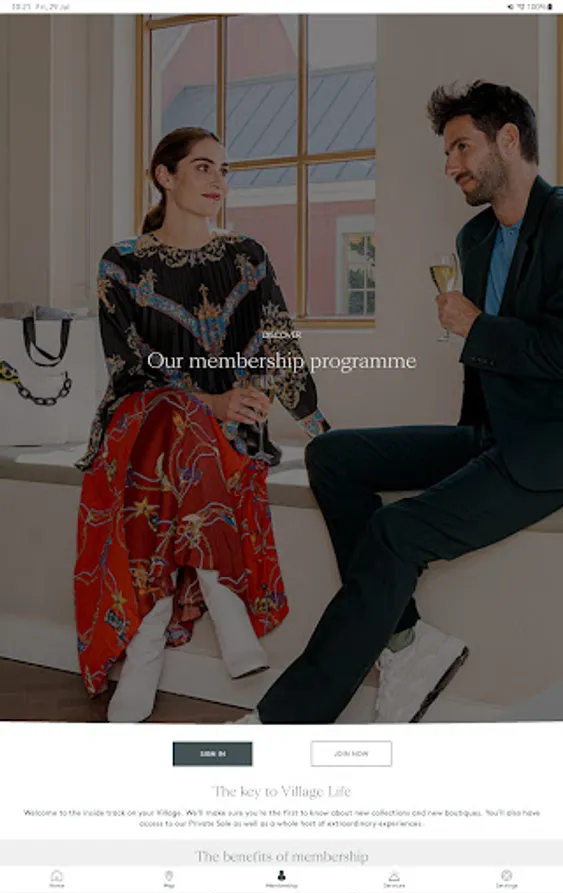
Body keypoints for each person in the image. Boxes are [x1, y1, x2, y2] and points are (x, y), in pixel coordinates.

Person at [234, 81, 563, 726]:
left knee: (395, 531)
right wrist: (474, 435)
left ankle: (282, 725)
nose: (450, 165)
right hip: (490, 435)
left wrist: (477, 326)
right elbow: (490, 366)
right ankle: (408, 643)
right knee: (332, 455)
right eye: (447, 152)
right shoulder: (475, 238)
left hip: (548, 450)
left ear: (508, 139)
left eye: (461, 146)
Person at [73, 126, 329, 723]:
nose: (219, 181)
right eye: (203, 167)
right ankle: (221, 593)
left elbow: (280, 346)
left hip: (227, 433)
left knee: (184, 436)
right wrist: (209, 402)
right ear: (165, 177)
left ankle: (147, 643)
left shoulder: (247, 257)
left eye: (224, 170)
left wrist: (322, 432)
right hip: (141, 421)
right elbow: (129, 364)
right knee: (175, 413)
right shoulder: (122, 263)